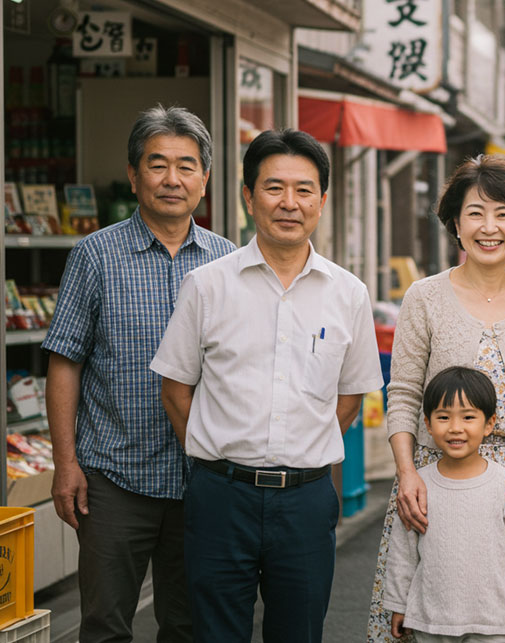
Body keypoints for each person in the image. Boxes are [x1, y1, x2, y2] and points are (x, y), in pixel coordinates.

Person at [150, 128, 383, 643]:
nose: (289, 203)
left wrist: (301, 445)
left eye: (304, 190)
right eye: (274, 188)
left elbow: (350, 396)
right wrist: (221, 454)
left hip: (305, 499)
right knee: (214, 633)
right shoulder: (207, 285)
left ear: (322, 200)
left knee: (298, 633)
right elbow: (175, 389)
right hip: (219, 496)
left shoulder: (348, 293)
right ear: (248, 196)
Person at [42, 105, 234, 643]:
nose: (172, 179)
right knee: (104, 625)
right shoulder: (94, 255)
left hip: (203, 478)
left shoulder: (230, 262)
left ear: (205, 178)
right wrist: (65, 463)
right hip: (111, 478)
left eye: (187, 165)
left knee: (190, 624)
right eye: (157, 164)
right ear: (133, 174)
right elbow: (65, 361)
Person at [368, 155, 505, 643]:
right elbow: (405, 393)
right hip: (433, 482)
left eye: (503, 214)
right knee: (424, 613)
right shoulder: (424, 298)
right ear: (456, 222)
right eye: (475, 212)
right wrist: (407, 473)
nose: (488, 227)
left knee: (502, 617)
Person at [382, 366, 505, 642]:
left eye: (468, 417)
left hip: (491, 622)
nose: (456, 428)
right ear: (428, 425)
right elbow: (403, 553)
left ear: (489, 424)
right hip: (430, 621)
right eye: (443, 417)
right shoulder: (419, 486)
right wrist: (397, 604)